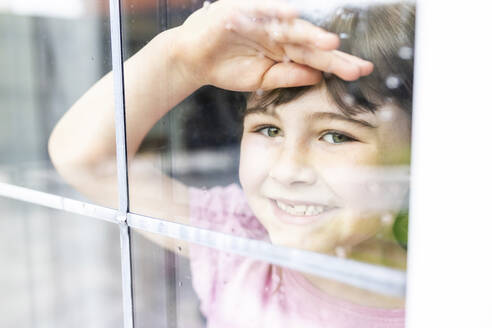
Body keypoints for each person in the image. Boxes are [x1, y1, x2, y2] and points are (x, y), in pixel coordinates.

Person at [49, 0, 414, 327]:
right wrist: (181, 59)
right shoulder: (240, 240)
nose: (287, 171)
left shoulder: (449, 303)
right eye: (268, 129)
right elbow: (85, 160)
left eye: (336, 136)